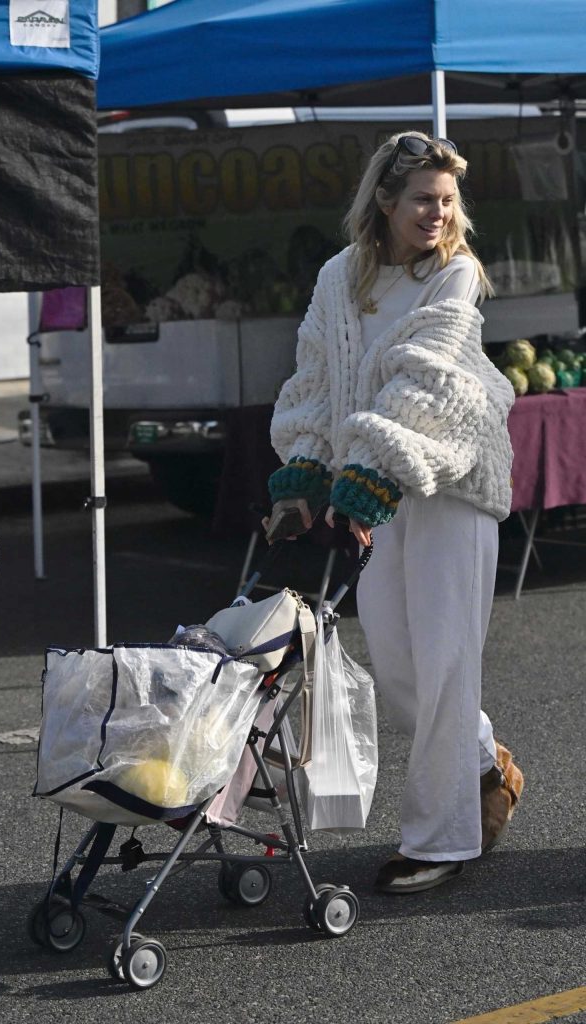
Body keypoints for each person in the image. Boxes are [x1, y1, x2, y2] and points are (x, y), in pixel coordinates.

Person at [265, 131, 524, 894]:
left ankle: (442, 839)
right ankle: (487, 763)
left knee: (445, 661)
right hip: (371, 485)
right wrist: (305, 469)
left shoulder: (456, 277)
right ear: (383, 201)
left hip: (446, 484)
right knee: (400, 666)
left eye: (447, 201)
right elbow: (316, 376)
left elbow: (426, 382)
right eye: (423, 200)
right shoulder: (339, 277)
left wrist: (367, 474)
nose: (438, 215)